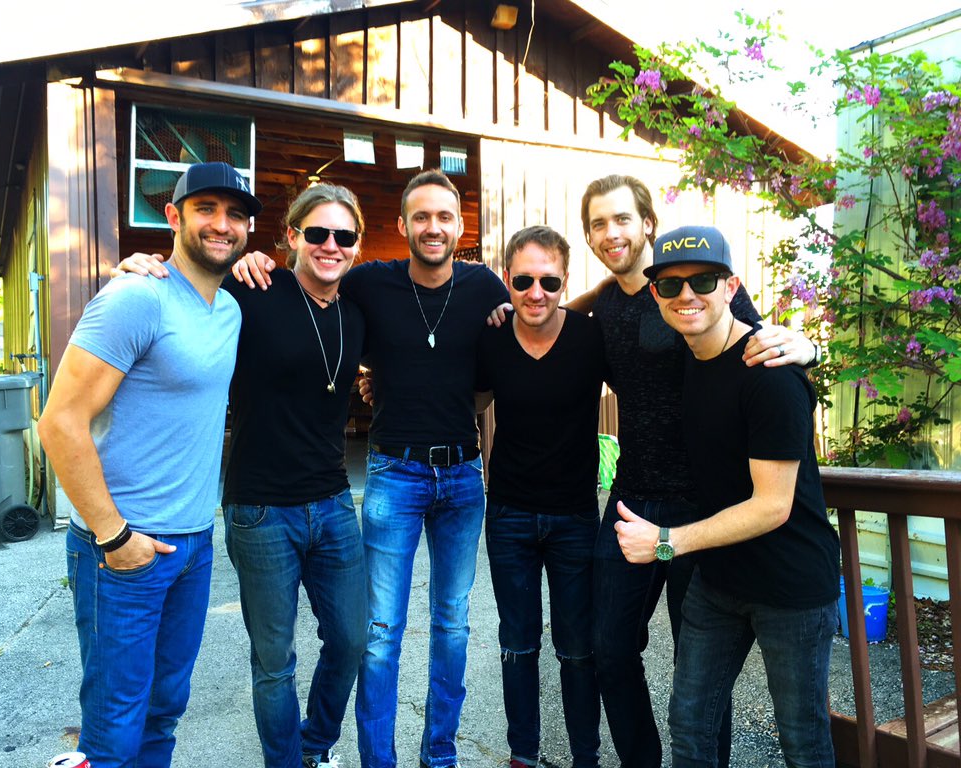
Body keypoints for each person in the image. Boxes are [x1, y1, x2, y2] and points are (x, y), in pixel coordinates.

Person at [234, 168, 508, 768]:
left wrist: (518, 305)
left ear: (459, 226)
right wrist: (240, 261)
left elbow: (505, 355)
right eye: (421, 217)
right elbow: (276, 293)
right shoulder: (366, 285)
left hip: (462, 476)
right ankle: (374, 760)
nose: (432, 227)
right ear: (401, 225)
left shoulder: (487, 288)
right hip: (391, 474)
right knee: (377, 634)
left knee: (451, 626)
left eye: (444, 217)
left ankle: (440, 754)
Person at [114, 183, 370, 768]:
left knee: (353, 641)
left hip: (333, 505)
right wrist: (136, 265)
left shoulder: (357, 312)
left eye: (344, 236)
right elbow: (181, 280)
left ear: (355, 246)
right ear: (290, 237)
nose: (331, 245)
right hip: (260, 511)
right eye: (317, 233)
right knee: (274, 661)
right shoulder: (250, 288)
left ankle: (314, 747)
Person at [569, 174, 818, 768]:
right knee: (608, 647)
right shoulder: (603, 304)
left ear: (647, 224)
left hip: (700, 504)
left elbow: (761, 346)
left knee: (698, 664)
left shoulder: (696, 286)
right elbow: (562, 312)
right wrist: (521, 304)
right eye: (599, 223)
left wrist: (809, 346)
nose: (612, 233)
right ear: (589, 236)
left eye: (623, 219)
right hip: (631, 498)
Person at [37, 161, 258, 767]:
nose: (222, 224)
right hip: (124, 550)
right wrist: (116, 537)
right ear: (173, 217)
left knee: (164, 713)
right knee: (113, 725)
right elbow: (58, 422)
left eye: (236, 214)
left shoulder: (230, 311)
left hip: (193, 545)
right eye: (206, 209)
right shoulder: (136, 296)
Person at [615, 224, 839, 768]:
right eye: (670, 286)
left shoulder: (770, 372)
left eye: (704, 281)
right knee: (691, 724)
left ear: (732, 285)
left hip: (790, 589)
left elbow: (773, 505)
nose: (687, 296)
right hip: (718, 583)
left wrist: (664, 543)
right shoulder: (686, 354)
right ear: (656, 297)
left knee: (802, 739)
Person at [476, 226, 604, 768]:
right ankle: (523, 754)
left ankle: (585, 757)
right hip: (508, 515)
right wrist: (377, 388)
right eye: (524, 279)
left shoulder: (590, 339)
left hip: (574, 516)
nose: (536, 292)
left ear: (564, 281)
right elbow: (457, 396)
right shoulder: (492, 338)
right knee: (518, 643)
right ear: (508, 279)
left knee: (577, 649)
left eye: (548, 281)